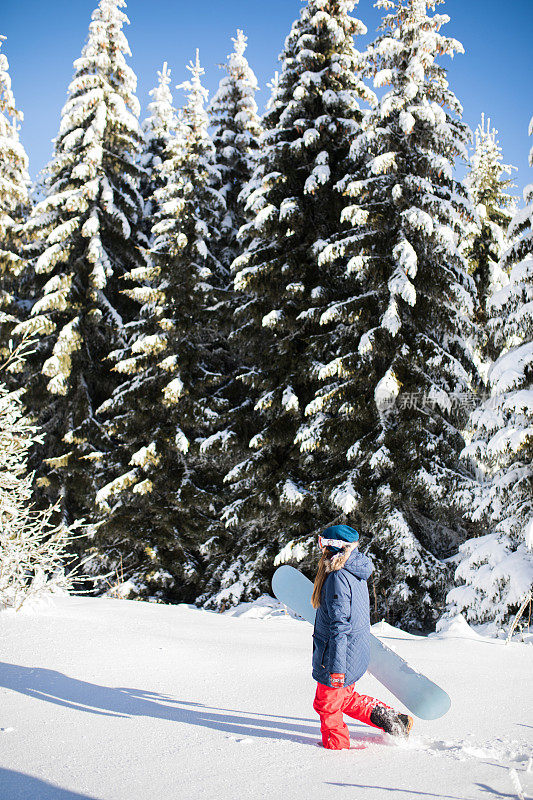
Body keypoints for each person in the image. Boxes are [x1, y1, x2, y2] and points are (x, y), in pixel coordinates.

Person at [311, 524, 413, 750]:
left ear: (333, 547)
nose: (320, 550)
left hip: (338, 657)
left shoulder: (338, 576)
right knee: (344, 699)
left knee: (327, 705)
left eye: (322, 544)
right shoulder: (353, 570)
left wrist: (336, 670)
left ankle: (335, 752)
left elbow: (340, 627)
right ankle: (394, 721)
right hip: (353, 652)